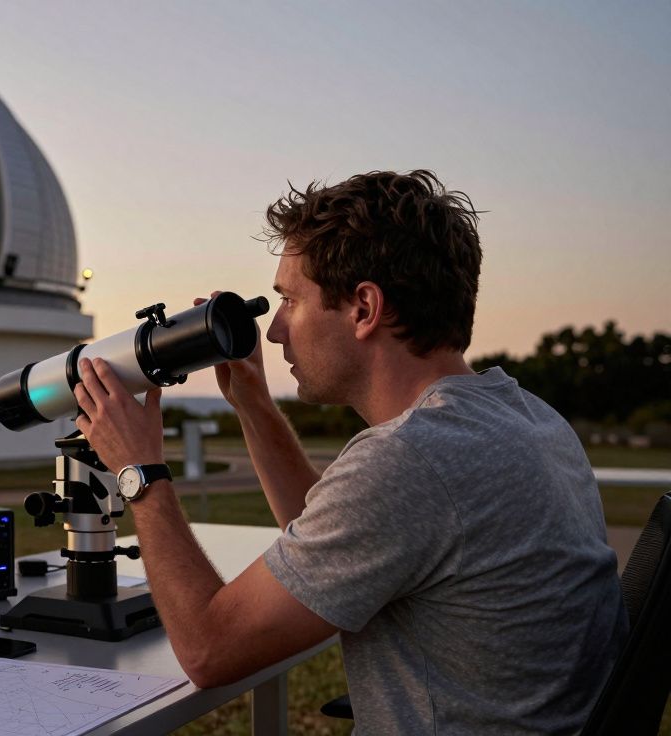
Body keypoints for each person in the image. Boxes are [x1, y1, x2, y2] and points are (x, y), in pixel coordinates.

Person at [72, 170, 626, 734]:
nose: (275, 332)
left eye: (290, 300)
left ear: (364, 308)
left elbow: (210, 651)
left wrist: (139, 472)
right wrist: (255, 407)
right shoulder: (526, 416)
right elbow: (341, 539)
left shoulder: (409, 461)